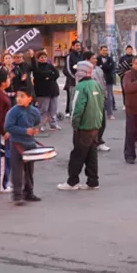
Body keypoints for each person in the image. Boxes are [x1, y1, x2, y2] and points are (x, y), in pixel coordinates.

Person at [59, 61, 104, 191]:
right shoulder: (96, 84)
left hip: (83, 127)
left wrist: (74, 124)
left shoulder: (81, 87)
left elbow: (77, 108)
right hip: (95, 125)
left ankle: (72, 182)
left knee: (77, 155)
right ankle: (93, 181)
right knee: (91, 155)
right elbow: (101, 104)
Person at [4, 90, 42, 204]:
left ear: (30, 98)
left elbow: (37, 122)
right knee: (17, 170)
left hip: (30, 143)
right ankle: (17, 195)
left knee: (29, 170)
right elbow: (8, 127)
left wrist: (34, 130)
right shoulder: (13, 112)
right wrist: (25, 131)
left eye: (22, 96)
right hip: (17, 143)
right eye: (17, 96)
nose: (19, 99)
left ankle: (29, 192)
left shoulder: (34, 111)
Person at [83, 51, 111, 152]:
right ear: (87, 59)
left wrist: (105, 95)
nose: (95, 60)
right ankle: (92, 142)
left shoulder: (99, 69)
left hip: (100, 97)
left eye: (95, 58)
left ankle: (98, 141)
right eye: (93, 58)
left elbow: (103, 83)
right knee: (92, 123)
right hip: (91, 99)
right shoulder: (84, 70)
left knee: (102, 121)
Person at [32, 51, 61, 132]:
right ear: (38, 59)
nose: (43, 59)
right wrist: (49, 73)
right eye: (41, 57)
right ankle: (41, 125)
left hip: (53, 90)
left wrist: (50, 77)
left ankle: (53, 124)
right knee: (43, 109)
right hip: (42, 91)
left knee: (53, 109)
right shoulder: (36, 67)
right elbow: (40, 74)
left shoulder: (50, 65)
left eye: (45, 57)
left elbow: (57, 74)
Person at [63, 40, 83, 117]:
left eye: (79, 45)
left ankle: (78, 111)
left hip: (81, 80)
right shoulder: (69, 56)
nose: (78, 47)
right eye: (77, 45)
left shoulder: (81, 55)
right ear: (72, 46)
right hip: (72, 81)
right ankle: (69, 111)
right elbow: (67, 70)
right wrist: (75, 77)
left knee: (79, 97)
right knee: (71, 97)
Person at [97, 45, 117, 116]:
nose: (105, 52)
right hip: (99, 80)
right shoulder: (97, 59)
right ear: (100, 51)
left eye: (106, 50)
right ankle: (99, 113)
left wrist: (103, 66)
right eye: (103, 50)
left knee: (109, 97)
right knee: (99, 96)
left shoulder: (110, 59)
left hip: (109, 80)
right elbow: (97, 68)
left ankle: (110, 113)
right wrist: (106, 66)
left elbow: (112, 67)